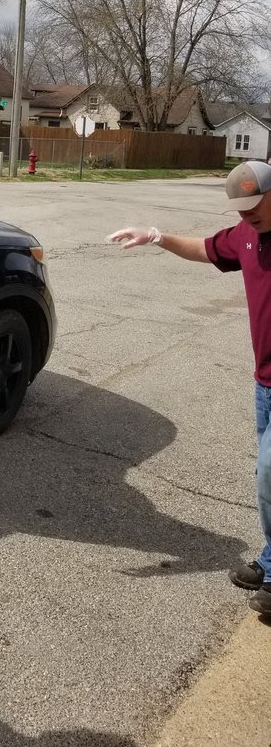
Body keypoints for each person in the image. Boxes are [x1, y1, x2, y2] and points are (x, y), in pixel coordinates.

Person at [107, 160, 271, 619]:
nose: (247, 215)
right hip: (265, 382)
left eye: (255, 205)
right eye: (241, 209)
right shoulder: (245, 236)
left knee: (270, 475)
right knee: (270, 480)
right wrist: (156, 236)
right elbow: (205, 248)